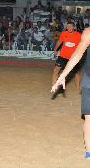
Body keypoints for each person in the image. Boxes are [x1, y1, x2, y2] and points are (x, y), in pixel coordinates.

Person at [51, 28, 90, 159]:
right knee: (89, 118)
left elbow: (77, 54)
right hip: (89, 81)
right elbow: (78, 54)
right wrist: (63, 75)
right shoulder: (88, 32)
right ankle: (89, 152)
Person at [52, 22, 82, 99]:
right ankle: (54, 86)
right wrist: (55, 50)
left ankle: (78, 89)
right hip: (62, 56)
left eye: (71, 26)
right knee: (56, 70)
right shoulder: (63, 33)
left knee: (76, 73)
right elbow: (59, 42)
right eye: (68, 26)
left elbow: (82, 45)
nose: (69, 28)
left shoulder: (78, 35)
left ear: (74, 27)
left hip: (73, 58)